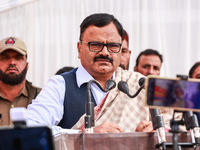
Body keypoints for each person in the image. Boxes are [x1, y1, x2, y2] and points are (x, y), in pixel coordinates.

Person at [26, 13, 153, 134]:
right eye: (96, 45)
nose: (105, 52)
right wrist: (83, 135)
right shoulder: (61, 85)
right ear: (79, 48)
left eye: (113, 46)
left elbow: (168, 123)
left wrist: (149, 132)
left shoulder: (138, 84)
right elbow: (30, 127)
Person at [0, 36, 41, 126]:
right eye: (5, 58)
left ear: (27, 65)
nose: (12, 62)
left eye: (18, 58)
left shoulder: (42, 97)